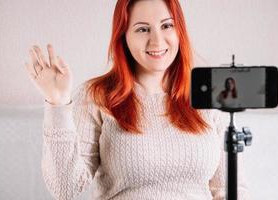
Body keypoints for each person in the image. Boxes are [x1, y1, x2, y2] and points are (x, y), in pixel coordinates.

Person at [25, 0, 249, 199]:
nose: (156, 40)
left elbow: (229, 190)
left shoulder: (208, 95)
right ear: (123, 36)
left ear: (179, 30)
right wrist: (57, 103)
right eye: (142, 29)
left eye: (167, 25)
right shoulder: (97, 95)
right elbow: (66, 189)